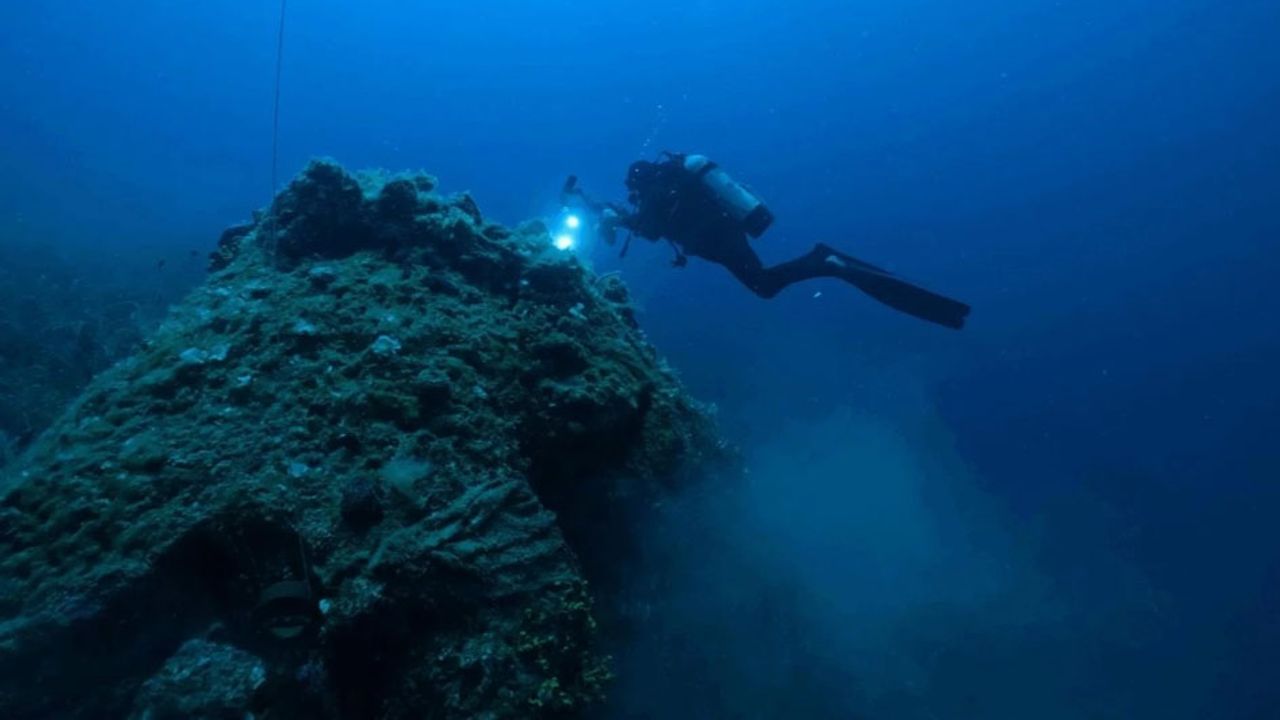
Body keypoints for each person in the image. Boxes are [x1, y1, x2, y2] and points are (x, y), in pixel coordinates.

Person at [564, 152, 971, 330]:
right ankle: (824, 261)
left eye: (631, 189)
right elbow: (651, 222)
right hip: (725, 235)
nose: (633, 195)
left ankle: (823, 261)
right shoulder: (670, 186)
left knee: (763, 285)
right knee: (762, 285)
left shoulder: (655, 194)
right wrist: (606, 208)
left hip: (719, 241)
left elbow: (650, 229)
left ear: (639, 182)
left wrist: (617, 216)